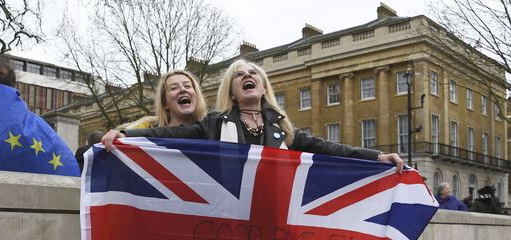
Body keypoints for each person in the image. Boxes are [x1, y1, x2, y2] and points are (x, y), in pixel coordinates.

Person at [102, 59, 404, 173]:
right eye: (239, 75)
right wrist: (127, 134)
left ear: (262, 86)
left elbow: (331, 149)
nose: (247, 76)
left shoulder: (285, 131)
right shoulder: (215, 124)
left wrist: (377, 157)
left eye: (253, 73)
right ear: (233, 91)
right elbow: (168, 134)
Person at [116, 69, 208, 130]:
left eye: (187, 86)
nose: (183, 89)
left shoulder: (214, 129)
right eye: (174, 88)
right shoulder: (144, 132)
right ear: (165, 104)